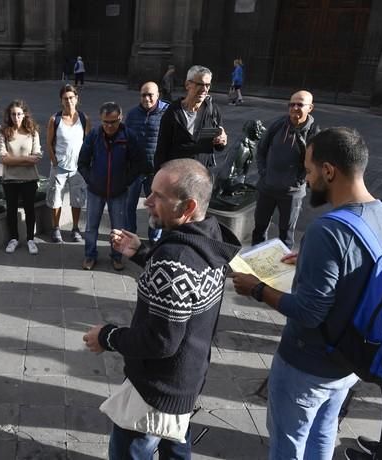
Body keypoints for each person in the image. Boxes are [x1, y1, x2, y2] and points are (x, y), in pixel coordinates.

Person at [231, 127, 382, 460]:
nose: (306, 177)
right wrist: (311, 259)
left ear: (329, 170)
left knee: (288, 445)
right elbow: (360, 266)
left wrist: (256, 289)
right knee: (323, 434)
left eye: (309, 169)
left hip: (306, 364)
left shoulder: (327, 229)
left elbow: (309, 311)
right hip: (350, 360)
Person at [83, 159, 241, 460]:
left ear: (187, 207)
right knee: (176, 448)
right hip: (186, 382)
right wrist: (143, 253)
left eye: (159, 196)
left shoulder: (174, 259)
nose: (148, 201)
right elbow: (185, 286)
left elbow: (160, 341)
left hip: (155, 391)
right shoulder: (209, 239)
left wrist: (107, 336)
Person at [77, 102, 145, 271]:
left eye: (113, 122)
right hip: (95, 191)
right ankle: (90, 255)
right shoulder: (94, 135)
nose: (108, 126)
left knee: (118, 229)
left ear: (120, 119)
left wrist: (126, 180)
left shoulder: (128, 136)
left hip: (118, 192)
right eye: (105, 122)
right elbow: (82, 162)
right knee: (91, 226)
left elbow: (138, 163)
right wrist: (90, 179)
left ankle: (116, 257)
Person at [251, 90, 319, 249]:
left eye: (300, 104)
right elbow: (261, 150)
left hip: (291, 192)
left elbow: (315, 163)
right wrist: (263, 173)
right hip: (267, 187)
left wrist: (300, 180)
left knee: (286, 232)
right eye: (292, 104)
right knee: (259, 227)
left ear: (310, 108)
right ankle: (253, 260)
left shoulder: (314, 133)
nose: (295, 107)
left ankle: (282, 267)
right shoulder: (277, 125)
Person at [154, 65, 228, 171]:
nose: (204, 89)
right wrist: (158, 177)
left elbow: (219, 146)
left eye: (207, 85)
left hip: (201, 177)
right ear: (187, 84)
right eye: (200, 84)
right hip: (177, 176)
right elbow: (162, 148)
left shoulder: (214, 110)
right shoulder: (173, 111)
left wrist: (222, 141)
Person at [124, 81, 169, 243]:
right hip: (135, 170)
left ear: (158, 95)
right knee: (129, 206)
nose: (147, 98)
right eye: (143, 94)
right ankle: (130, 236)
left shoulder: (167, 112)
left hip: (155, 172)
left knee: (156, 207)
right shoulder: (132, 114)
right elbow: (125, 140)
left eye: (150, 94)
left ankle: (154, 240)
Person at [46, 84, 90, 243]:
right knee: (56, 198)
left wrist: (85, 163)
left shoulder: (84, 119)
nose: (69, 101)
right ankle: (56, 228)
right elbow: (49, 143)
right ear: (61, 101)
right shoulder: (54, 119)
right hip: (60, 168)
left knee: (77, 199)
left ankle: (75, 228)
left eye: (71, 98)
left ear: (77, 99)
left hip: (78, 169)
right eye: (65, 98)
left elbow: (88, 143)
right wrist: (54, 162)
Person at [0, 100, 41, 255]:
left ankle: (30, 239)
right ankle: (14, 238)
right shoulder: (5, 132)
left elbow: (36, 157)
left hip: (29, 179)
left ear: (24, 115)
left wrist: (14, 160)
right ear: (9, 116)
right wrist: (26, 160)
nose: (16, 117)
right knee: (11, 210)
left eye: (19, 114)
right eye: (13, 114)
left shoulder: (32, 132)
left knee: (30, 209)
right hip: (10, 179)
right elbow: (3, 158)